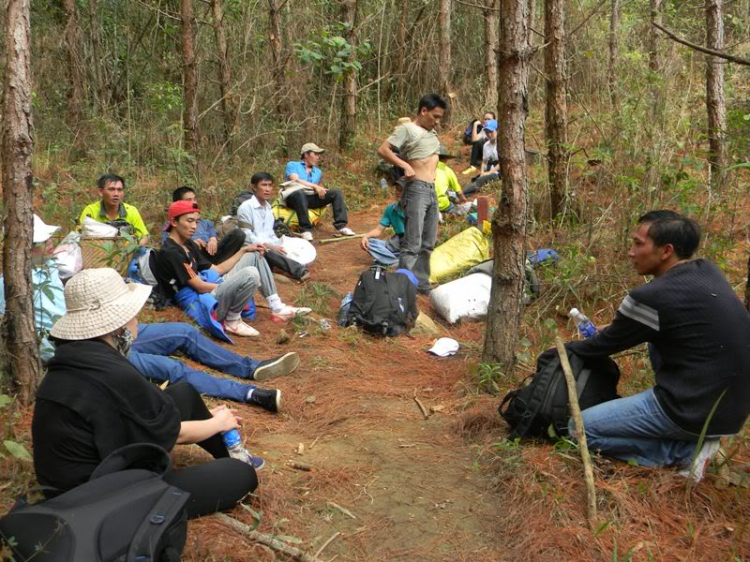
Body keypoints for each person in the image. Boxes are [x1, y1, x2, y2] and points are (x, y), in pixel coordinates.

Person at [1, 215, 298, 411]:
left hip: (104, 331)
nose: (51, 244)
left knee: (183, 332)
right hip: (86, 352)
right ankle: (246, 393)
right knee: (174, 370)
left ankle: (251, 367)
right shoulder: (8, 286)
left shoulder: (47, 268)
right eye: (43, 242)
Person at [33, 268, 260, 518]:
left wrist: (206, 421)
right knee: (240, 475)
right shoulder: (115, 374)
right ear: (118, 327)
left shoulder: (72, 360)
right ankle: (235, 461)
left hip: (79, 476)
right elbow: (175, 434)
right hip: (99, 499)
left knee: (182, 392)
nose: (137, 320)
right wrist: (217, 423)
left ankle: (232, 452)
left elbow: (140, 410)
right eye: (133, 314)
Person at [565, 211, 750, 481]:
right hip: (732, 410)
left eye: (639, 244)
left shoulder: (650, 296)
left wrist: (565, 349)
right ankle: (698, 439)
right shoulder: (708, 271)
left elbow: (598, 347)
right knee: (657, 337)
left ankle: (684, 452)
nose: (631, 252)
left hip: (689, 409)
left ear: (666, 251)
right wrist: (616, 331)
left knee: (578, 428)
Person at [151, 200, 310, 338]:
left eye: (197, 222)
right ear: (174, 222)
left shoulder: (188, 243)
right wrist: (233, 287)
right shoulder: (171, 252)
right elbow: (199, 287)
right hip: (201, 301)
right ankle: (232, 320)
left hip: (211, 287)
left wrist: (243, 251)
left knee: (255, 256)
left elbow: (217, 269)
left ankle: (277, 307)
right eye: (190, 221)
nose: (194, 226)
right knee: (250, 274)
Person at [377, 92, 447, 294]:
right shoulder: (407, 129)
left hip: (431, 190)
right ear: (423, 111)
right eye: (435, 116)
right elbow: (383, 150)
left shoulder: (432, 133)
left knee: (428, 242)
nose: (437, 122)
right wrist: (403, 164)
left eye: (440, 118)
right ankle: (403, 286)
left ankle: (422, 283)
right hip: (416, 189)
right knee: (412, 242)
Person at [236, 172, 309, 280]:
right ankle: (298, 270)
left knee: (286, 247)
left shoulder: (268, 208)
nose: (268, 189)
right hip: (252, 248)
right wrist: (269, 246)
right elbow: (246, 236)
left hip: (267, 247)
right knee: (266, 250)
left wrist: (279, 244)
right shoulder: (246, 208)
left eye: (270, 185)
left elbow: (270, 233)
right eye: (264, 185)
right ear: (254, 187)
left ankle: (283, 263)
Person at [283, 143, 355, 241]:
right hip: (294, 198)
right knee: (300, 193)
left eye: (319, 154)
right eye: (315, 154)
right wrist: (315, 186)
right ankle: (305, 230)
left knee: (336, 192)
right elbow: (295, 181)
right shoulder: (292, 165)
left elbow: (314, 189)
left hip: (309, 198)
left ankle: (341, 226)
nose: (318, 157)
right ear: (306, 154)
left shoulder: (318, 172)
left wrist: (322, 190)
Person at [165, 186, 246, 265]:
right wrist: (191, 244)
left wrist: (213, 240)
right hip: (195, 254)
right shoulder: (173, 225)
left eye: (194, 199)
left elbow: (212, 233)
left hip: (212, 251)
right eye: (189, 200)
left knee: (239, 234)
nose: (194, 202)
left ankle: (219, 266)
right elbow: (170, 245)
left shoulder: (205, 222)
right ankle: (218, 268)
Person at [78, 174, 150, 245]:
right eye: (111, 189)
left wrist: (134, 249)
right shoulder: (90, 211)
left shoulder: (131, 210)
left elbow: (144, 236)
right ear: (100, 192)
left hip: (127, 254)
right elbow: (78, 237)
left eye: (119, 190)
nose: (116, 194)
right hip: (98, 253)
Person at [360, 181, 405, 266]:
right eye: (397, 189)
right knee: (369, 242)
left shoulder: (416, 209)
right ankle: (397, 261)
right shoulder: (391, 208)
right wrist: (365, 236)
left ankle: (390, 260)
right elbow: (378, 230)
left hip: (413, 242)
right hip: (397, 241)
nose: (398, 192)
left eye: (401, 190)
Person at [463, 119, 499, 198]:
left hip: (498, 172)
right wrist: (482, 172)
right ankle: (461, 197)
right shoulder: (486, 145)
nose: (489, 134)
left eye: (491, 131)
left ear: (497, 130)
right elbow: (484, 161)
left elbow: (501, 163)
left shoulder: (501, 144)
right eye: (486, 132)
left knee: (480, 180)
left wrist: (490, 173)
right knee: (476, 180)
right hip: (489, 170)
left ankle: (459, 195)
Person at [434, 145, 468, 217]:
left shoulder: (428, 168)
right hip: (442, 204)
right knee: (457, 209)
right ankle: (444, 215)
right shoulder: (448, 170)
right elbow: (459, 192)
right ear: (446, 159)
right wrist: (463, 200)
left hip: (428, 203)